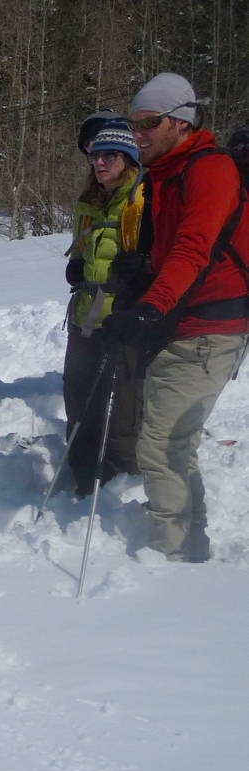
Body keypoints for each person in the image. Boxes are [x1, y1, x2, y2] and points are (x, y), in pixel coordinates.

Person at [111, 73, 249, 562]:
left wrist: (151, 305)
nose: (138, 134)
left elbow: (194, 249)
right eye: (135, 124)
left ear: (180, 122)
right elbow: (171, 250)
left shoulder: (209, 171)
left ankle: (166, 554)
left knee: (160, 445)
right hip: (184, 323)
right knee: (176, 443)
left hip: (209, 327)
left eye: (149, 123)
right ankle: (192, 544)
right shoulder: (167, 173)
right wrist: (140, 276)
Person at [61, 119, 147, 497]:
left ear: (128, 159)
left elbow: (162, 255)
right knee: (79, 399)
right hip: (84, 317)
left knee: (124, 409)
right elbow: (81, 251)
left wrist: (142, 270)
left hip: (124, 319)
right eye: (96, 156)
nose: (100, 163)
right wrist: (74, 265)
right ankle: (81, 476)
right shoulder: (89, 202)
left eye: (110, 156)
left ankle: (124, 485)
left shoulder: (141, 199)